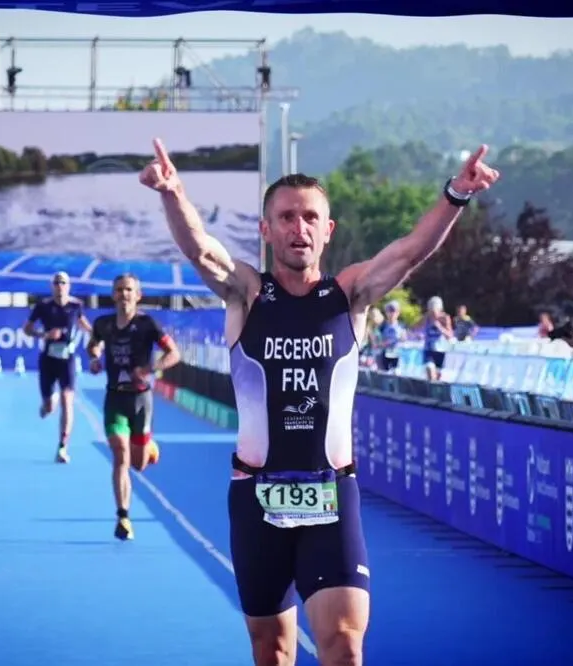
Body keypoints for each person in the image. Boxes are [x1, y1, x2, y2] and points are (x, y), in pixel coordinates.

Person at [140, 137, 499, 666]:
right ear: (266, 230)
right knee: (273, 650)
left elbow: (409, 252)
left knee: (345, 646)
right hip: (256, 497)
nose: (299, 228)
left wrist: (456, 195)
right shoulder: (246, 293)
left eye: (310, 217)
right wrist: (173, 194)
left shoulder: (349, 295)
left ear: (328, 230)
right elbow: (201, 249)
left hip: (332, 494)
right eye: (286, 217)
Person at [86, 273, 181, 541]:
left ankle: (149, 446)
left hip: (141, 401)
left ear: (138, 295)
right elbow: (93, 345)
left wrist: (151, 368)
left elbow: (174, 353)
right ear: (113, 295)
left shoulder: (147, 324)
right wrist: (94, 358)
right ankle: (123, 517)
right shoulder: (103, 324)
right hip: (115, 399)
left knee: (138, 464)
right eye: (119, 290)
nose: (123, 294)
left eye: (129, 290)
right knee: (120, 455)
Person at [23, 271, 92, 464]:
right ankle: (48, 402)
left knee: (67, 400)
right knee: (49, 406)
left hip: (67, 359)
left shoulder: (76, 305)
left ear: (68, 286)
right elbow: (27, 329)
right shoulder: (43, 306)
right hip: (48, 359)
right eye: (56, 283)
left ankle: (62, 446)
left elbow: (85, 324)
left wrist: (98, 336)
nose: (60, 286)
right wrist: (43, 335)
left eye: (63, 283)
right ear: (52, 286)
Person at [420, 296, 453, 381]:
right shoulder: (426, 317)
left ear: (440, 309)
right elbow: (414, 328)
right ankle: (430, 387)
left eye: (435, 311)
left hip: (440, 350)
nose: (433, 314)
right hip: (428, 350)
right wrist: (417, 334)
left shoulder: (445, 318)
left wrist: (440, 328)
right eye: (431, 311)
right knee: (430, 370)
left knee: (438, 377)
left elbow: (450, 336)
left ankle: (435, 388)